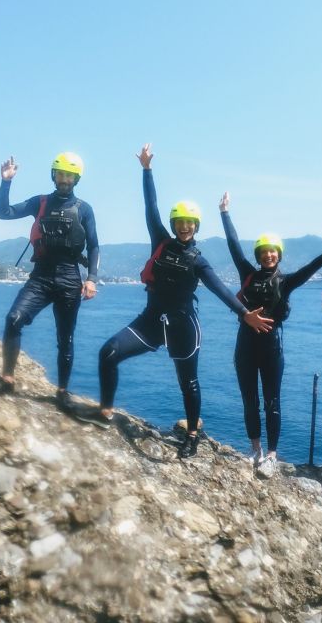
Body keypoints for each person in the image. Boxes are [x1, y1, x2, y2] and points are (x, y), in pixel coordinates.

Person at [76, 144, 272, 459]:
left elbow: (221, 289)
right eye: (180, 221)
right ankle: (106, 412)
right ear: (173, 223)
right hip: (152, 321)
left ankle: (192, 434)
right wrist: (147, 170)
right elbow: (149, 205)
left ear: (196, 227)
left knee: (188, 383)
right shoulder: (160, 240)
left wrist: (245, 313)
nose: (184, 226)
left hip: (183, 326)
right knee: (108, 353)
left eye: (190, 222)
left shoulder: (199, 260)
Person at [219, 192, 322, 478]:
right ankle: (254, 449)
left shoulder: (285, 281)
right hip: (245, 346)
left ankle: (271, 455)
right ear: (258, 255)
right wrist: (225, 214)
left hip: (271, 349)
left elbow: (307, 271)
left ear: (279, 254)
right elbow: (233, 247)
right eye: (264, 251)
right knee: (249, 400)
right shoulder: (247, 273)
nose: (269, 254)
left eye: (273, 251)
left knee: (272, 401)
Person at [0, 152, 99, 407]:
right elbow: (4, 213)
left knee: (65, 338)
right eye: (60, 174)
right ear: (53, 175)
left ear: (76, 178)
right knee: (13, 319)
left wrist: (91, 278)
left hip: (70, 277)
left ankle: (62, 392)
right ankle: (8, 379)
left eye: (69, 175)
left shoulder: (84, 209)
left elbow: (94, 247)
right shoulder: (40, 202)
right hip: (41, 276)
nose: (64, 179)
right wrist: (6, 182)